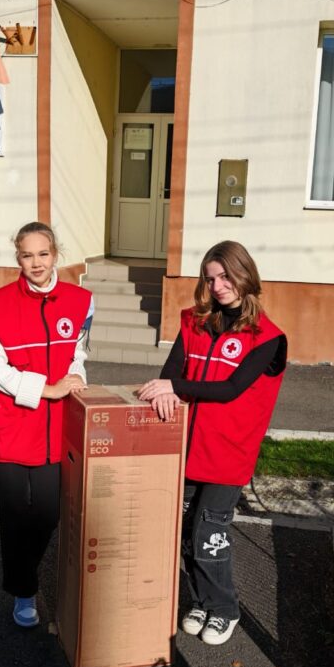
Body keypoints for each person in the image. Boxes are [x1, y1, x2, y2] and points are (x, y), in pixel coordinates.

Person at [137, 241, 286, 646]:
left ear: (245, 275)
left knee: (209, 534)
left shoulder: (268, 337)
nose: (218, 286)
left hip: (227, 455)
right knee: (185, 531)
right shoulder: (194, 322)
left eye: (225, 277)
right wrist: (168, 389)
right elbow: (172, 371)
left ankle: (225, 609)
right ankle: (202, 601)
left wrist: (175, 387)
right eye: (210, 278)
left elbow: (231, 389)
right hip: (186, 448)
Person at [0, 222, 93, 628]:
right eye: (27, 255)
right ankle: (23, 590)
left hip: (53, 432)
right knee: (15, 511)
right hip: (5, 430)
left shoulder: (82, 301)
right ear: (18, 258)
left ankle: (22, 573)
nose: (36, 263)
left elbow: (78, 354)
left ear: (55, 254)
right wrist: (49, 389)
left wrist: (75, 379)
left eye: (43, 254)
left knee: (46, 513)